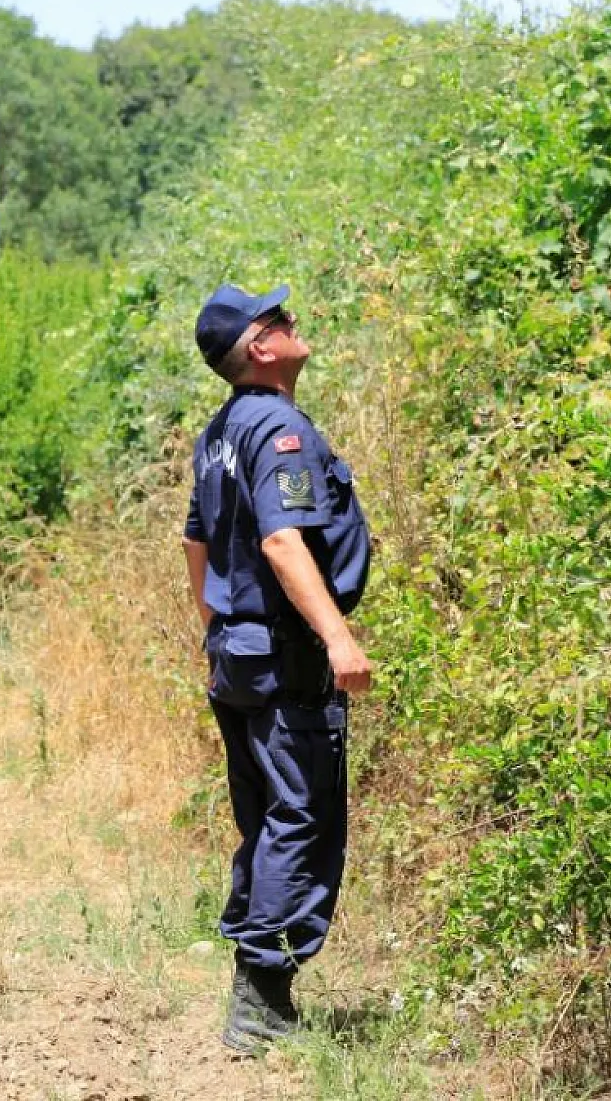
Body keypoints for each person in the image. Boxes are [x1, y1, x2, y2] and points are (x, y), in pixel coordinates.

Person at [183, 283, 374, 1054]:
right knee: (301, 816)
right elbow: (283, 542)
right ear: (260, 347)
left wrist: (219, 625)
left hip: (238, 654)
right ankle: (261, 999)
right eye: (281, 319)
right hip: (285, 656)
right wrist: (336, 636)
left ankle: (259, 994)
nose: (296, 323)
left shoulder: (220, 430)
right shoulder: (278, 427)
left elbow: (195, 541)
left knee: (266, 817)